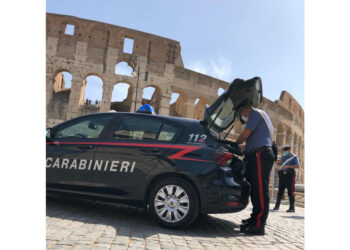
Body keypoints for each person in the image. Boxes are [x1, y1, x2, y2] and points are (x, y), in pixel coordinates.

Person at [235, 99, 275, 235]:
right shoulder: (262, 116)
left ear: (246, 109)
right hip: (259, 154)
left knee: (260, 189)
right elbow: (254, 139)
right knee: (255, 190)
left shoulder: (255, 114)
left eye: (241, 113)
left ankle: (259, 224)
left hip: (260, 155)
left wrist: (235, 143)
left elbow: (246, 134)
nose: (243, 116)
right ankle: (254, 219)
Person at [273, 143, 300, 212]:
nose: (285, 151)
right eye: (284, 150)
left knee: (290, 191)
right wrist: (277, 162)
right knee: (280, 191)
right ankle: (277, 206)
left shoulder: (294, 157)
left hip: (290, 175)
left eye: (286, 150)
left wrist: (288, 166)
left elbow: (297, 166)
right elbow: (279, 164)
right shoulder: (283, 156)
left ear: (290, 150)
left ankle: (291, 208)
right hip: (282, 175)